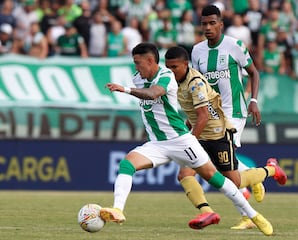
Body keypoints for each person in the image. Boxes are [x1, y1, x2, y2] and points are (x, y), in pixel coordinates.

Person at [100, 42, 274, 236]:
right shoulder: (138, 78)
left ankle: (254, 216)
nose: (136, 67)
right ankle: (118, 210)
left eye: (138, 63)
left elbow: (153, 94)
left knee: (217, 179)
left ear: (150, 61)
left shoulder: (166, 77)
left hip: (181, 140)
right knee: (127, 164)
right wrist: (131, 87)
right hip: (157, 144)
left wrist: (125, 89)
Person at [165, 46, 287, 230]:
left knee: (234, 181)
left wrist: (188, 141)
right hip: (201, 135)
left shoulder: (195, 82)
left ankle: (271, 169)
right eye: (168, 68)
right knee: (184, 174)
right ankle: (206, 211)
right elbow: (195, 115)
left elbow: (204, 116)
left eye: (174, 67)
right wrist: (188, 130)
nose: (171, 72)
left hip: (218, 134)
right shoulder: (177, 84)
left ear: (185, 64)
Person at [191, 5, 269, 230]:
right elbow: (198, 85)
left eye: (212, 23)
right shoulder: (197, 51)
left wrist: (253, 101)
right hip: (212, 114)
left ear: (221, 24)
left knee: (224, 167)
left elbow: (254, 72)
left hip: (234, 112)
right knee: (221, 165)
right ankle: (254, 177)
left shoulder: (235, 46)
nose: (207, 27)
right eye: (204, 23)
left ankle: (247, 217)